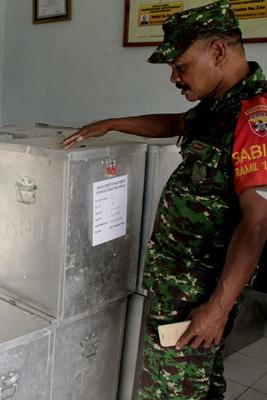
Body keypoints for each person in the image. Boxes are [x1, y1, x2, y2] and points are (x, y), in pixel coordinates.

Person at [62, 1, 267, 398]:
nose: (174, 78)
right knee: (201, 380)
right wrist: (112, 124)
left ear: (218, 52)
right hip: (181, 282)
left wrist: (218, 308)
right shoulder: (218, 106)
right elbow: (176, 123)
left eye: (181, 66)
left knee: (167, 389)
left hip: (198, 293)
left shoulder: (254, 115)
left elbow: (257, 223)